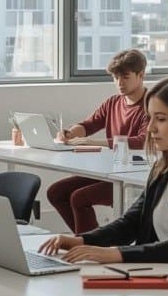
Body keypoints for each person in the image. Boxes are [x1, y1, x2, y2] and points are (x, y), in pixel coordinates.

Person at [39, 73, 168, 274]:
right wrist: (81, 240)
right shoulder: (163, 168)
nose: (150, 128)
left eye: (161, 119)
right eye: (149, 118)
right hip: (157, 277)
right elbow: (131, 222)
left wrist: (116, 254)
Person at [46, 49, 151, 233]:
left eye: (125, 77)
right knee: (56, 193)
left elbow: (142, 141)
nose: (119, 83)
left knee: (79, 198)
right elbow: (89, 124)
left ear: (140, 75)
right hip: (108, 171)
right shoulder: (113, 102)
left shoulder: (152, 104)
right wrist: (70, 133)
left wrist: (93, 143)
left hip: (134, 174)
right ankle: (89, 240)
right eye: (116, 77)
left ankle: (90, 245)